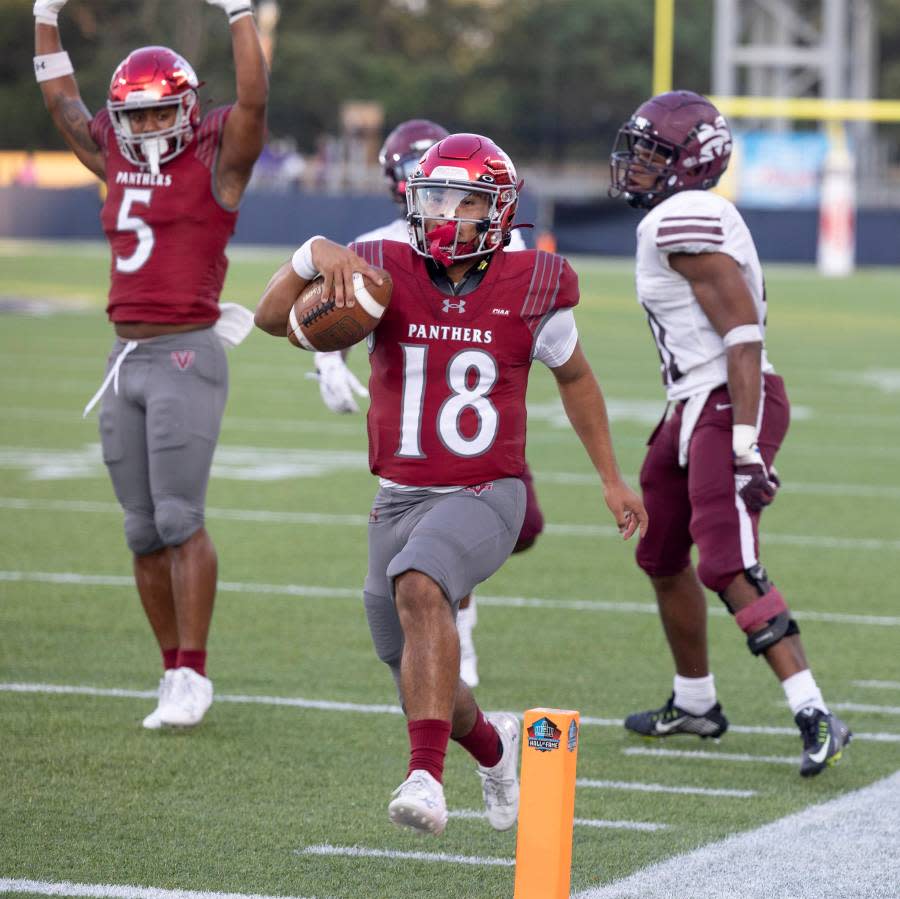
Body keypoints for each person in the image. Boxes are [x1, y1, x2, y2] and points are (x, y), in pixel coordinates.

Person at [255, 133, 648, 834]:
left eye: (459, 201)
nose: (440, 214)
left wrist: (611, 479)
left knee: (419, 583)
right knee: (414, 666)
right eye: (430, 197)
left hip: (487, 490)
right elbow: (268, 319)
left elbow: (576, 376)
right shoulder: (377, 270)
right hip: (398, 495)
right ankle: (495, 750)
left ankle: (425, 779)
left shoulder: (532, 283)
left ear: (496, 212)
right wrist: (310, 250)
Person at [34, 0, 268, 728]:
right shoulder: (110, 147)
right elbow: (63, 99)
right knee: (140, 529)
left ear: (188, 110)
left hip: (185, 353)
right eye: (131, 115)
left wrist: (236, 11)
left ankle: (195, 672)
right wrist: (45, 12)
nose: (143, 127)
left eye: (158, 113)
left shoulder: (215, 156)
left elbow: (255, 96)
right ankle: (170, 671)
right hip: (123, 357)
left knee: (178, 516)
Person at [608, 90, 851, 777]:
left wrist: (745, 442)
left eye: (653, 154)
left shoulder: (684, 215)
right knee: (659, 553)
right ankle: (695, 702)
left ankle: (814, 710)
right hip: (692, 402)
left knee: (725, 561)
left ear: (690, 163)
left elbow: (743, 335)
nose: (636, 166)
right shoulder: (678, 215)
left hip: (728, 401)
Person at [309, 118, 539, 688]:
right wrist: (327, 359)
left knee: (516, 525)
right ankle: (453, 630)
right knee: (425, 548)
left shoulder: (500, 238)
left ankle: (458, 605)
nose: (444, 202)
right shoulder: (387, 242)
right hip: (417, 416)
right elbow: (341, 306)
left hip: (480, 413)